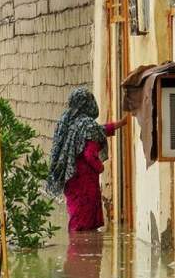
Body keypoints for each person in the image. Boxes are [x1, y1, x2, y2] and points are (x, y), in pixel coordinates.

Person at [48, 87, 127, 231]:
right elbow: (89, 154)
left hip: (69, 177)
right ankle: (83, 251)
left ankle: (75, 251)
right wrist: (100, 167)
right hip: (85, 180)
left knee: (76, 217)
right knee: (84, 222)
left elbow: (98, 130)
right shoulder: (87, 124)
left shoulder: (67, 121)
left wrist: (120, 124)